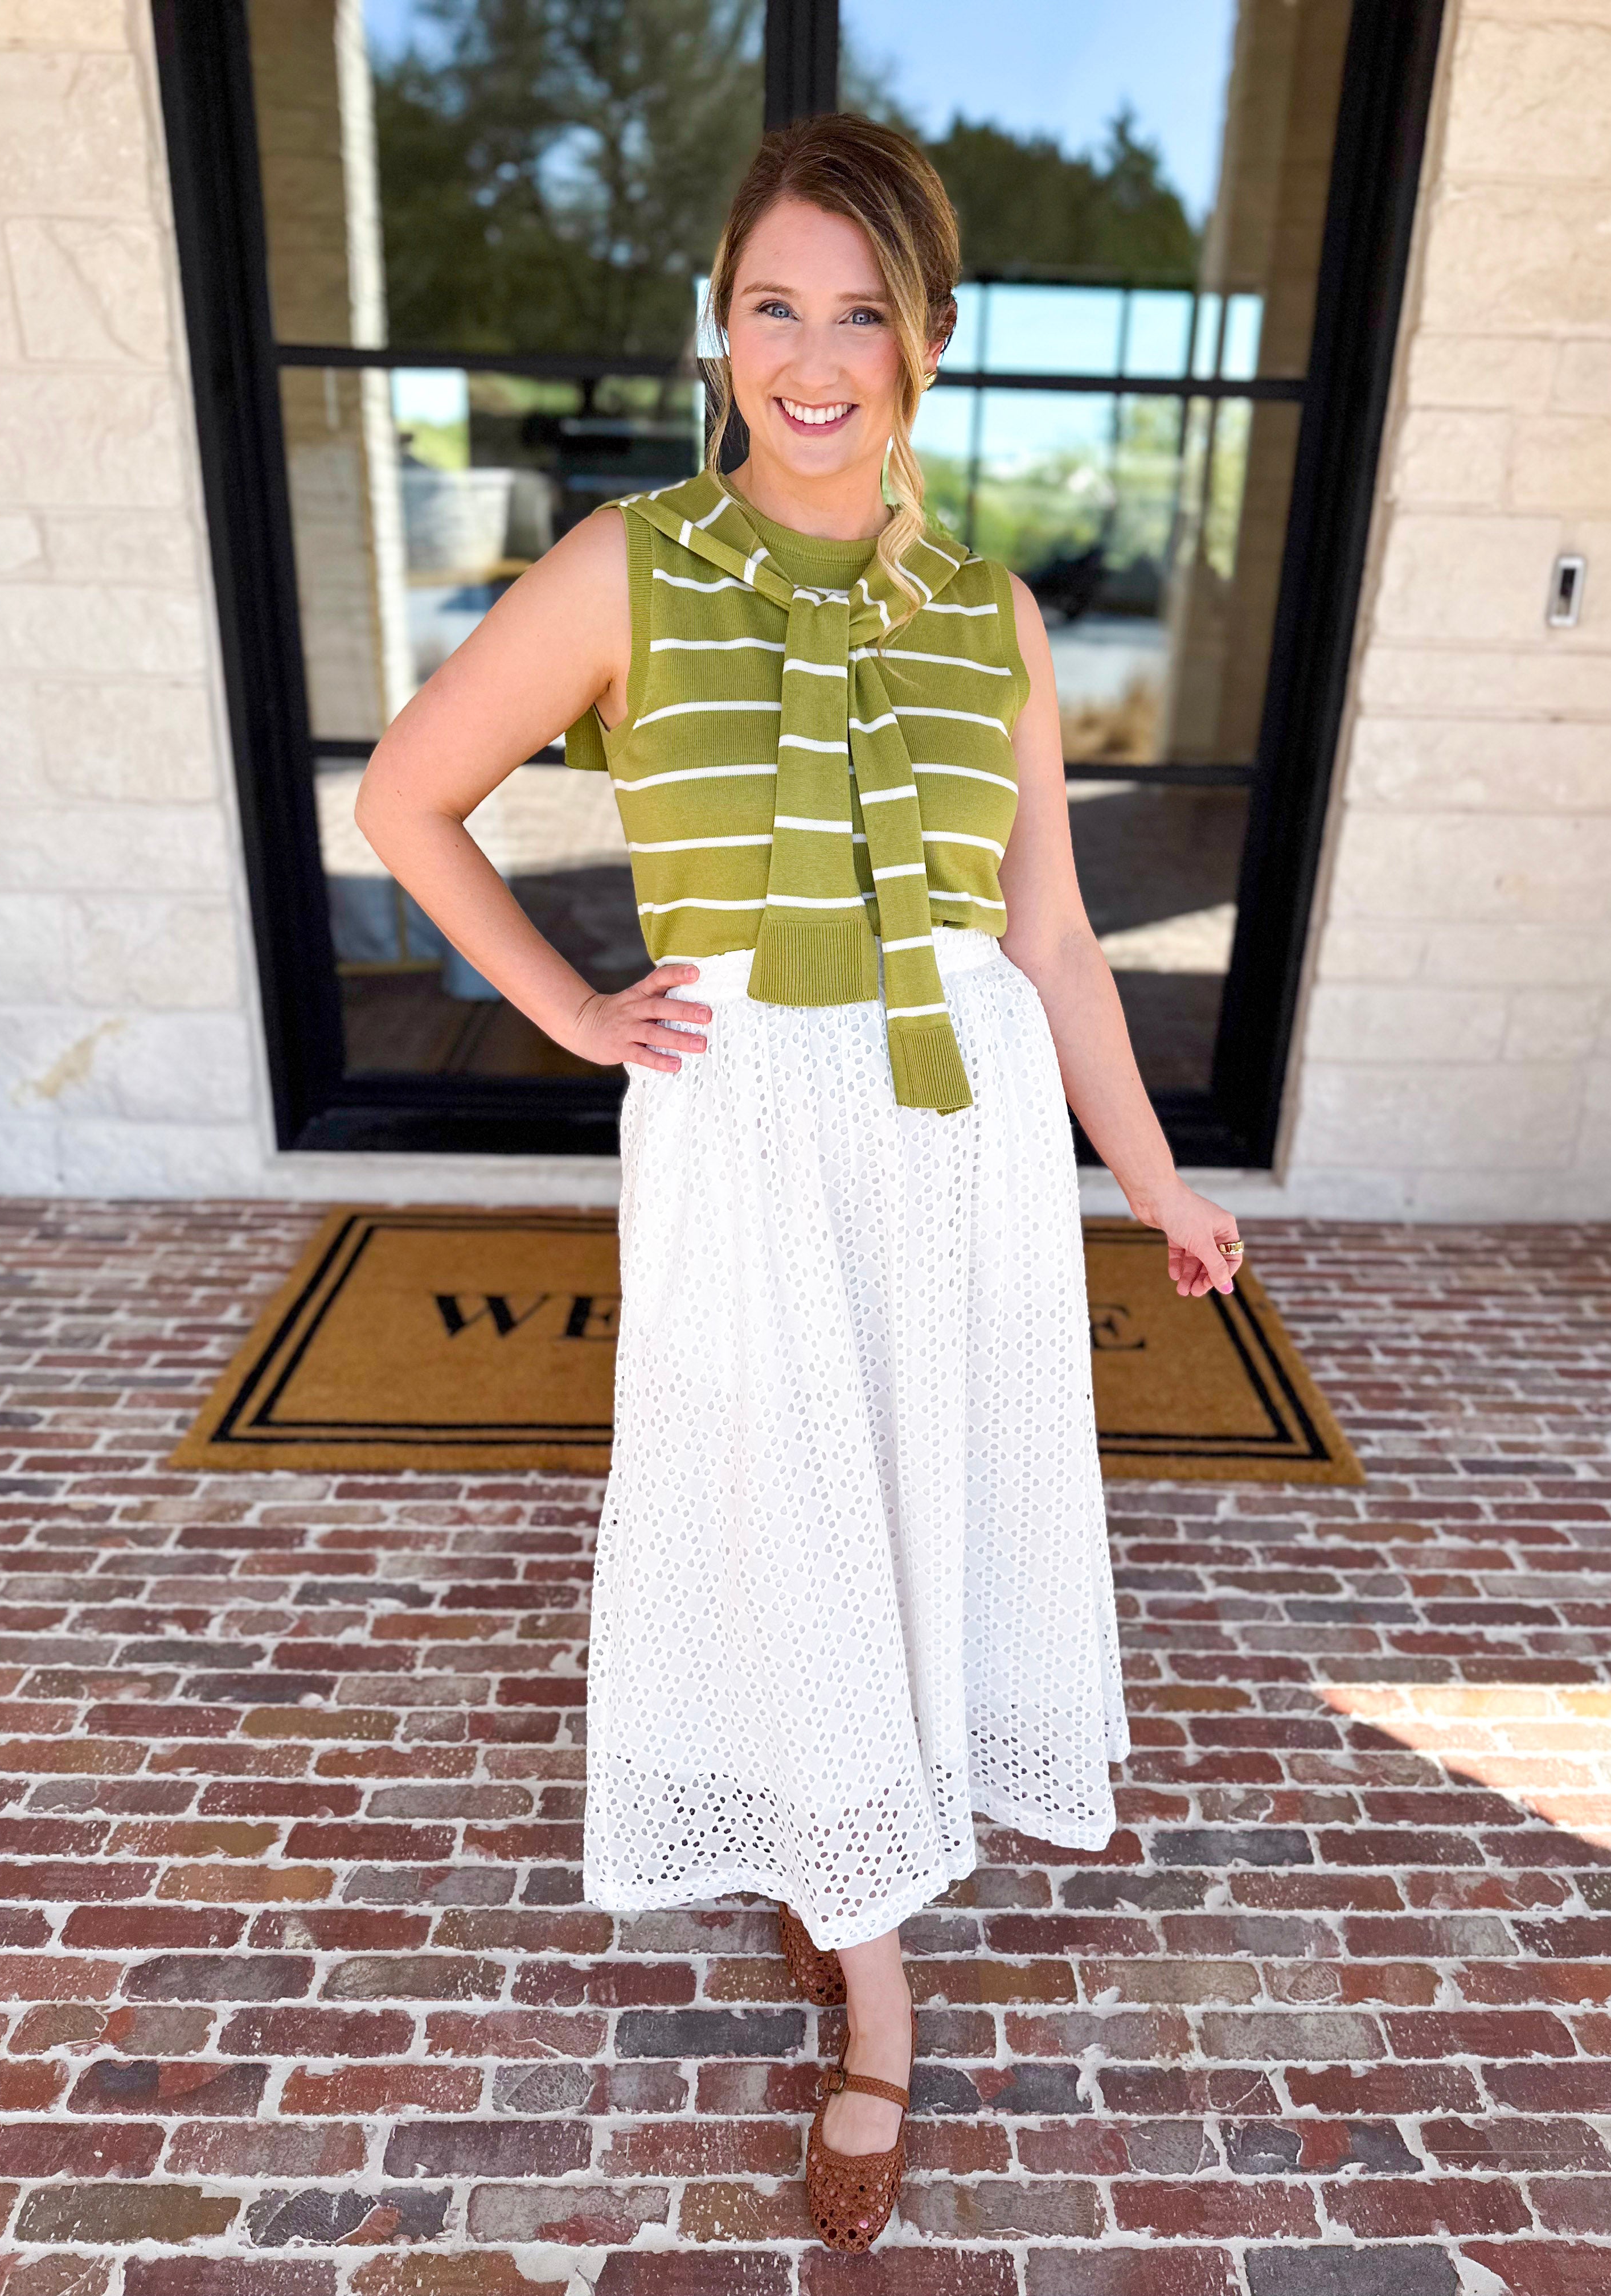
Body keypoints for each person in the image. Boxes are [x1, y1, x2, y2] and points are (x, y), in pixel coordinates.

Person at [355, 110, 1243, 2254]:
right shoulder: (630, 564)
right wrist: (578, 1015)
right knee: (787, 1522)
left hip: (960, 1148)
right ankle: (881, 1994)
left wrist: (1152, 1178)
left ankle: (846, 1877)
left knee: (916, 1521)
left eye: (862, 312)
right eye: (775, 306)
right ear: (722, 327)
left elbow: (1049, 940)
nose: (814, 357)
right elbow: (406, 798)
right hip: (751, 1139)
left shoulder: (996, 615)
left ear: (926, 337)